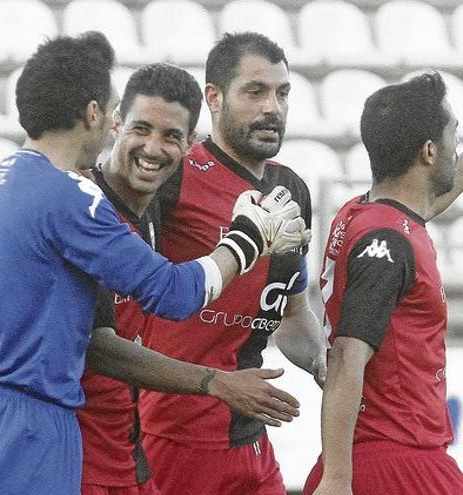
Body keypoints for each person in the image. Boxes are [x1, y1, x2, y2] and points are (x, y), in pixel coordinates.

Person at [0, 32, 309, 495]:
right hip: (39, 424)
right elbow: (172, 294)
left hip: (1, 418)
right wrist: (247, 237)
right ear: (100, 117)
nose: (154, 147)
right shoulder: (74, 198)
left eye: (172, 136)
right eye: (131, 122)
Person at [304, 64, 463, 495]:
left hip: (368, 458)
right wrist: (337, 480)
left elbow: (428, 200)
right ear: (429, 151)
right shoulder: (387, 244)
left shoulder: (362, 215)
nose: (458, 149)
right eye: (454, 137)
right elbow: (348, 356)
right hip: (398, 462)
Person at [78, 62, 302, 495]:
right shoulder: (84, 207)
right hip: (85, 451)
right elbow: (107, 340)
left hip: (128, 448)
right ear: (115, 124)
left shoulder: (145, 215)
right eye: (141, 129)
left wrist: (321, 361)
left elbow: (294, 308)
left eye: (171, 137)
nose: (153, 148)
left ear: (188, 146)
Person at [138, 32, 329, 495]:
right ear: (214, 98)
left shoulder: (291, 191)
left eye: (283, 94)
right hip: (172, 437)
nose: (273, 107)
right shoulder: (175, 174)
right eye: (255, 92)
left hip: (252, 437)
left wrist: (326, 364)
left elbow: (291, 312)